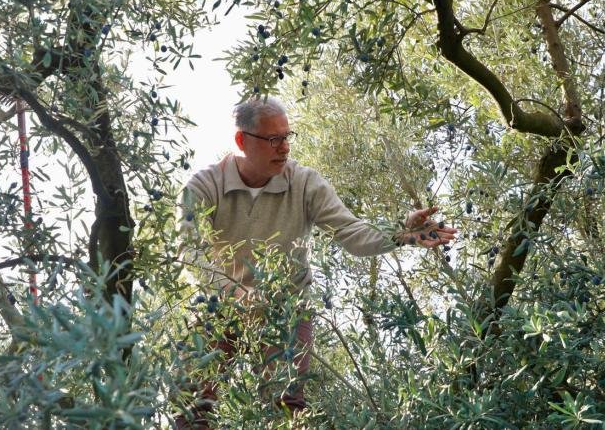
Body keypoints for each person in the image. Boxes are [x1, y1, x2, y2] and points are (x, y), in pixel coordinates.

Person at [175, 97, 456, 428]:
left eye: (287, 136)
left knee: (287, 408)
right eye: (273, 139)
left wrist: (400, 231)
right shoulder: (204, 186)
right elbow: (191, 252)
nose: (284, 147)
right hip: (219, 306)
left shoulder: (305, 183)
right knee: (193, 405)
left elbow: (353, 234)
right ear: (242, 140)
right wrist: (231, 294)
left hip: (286, 308)